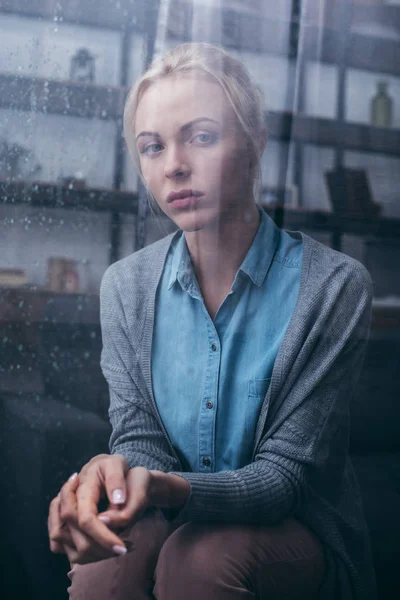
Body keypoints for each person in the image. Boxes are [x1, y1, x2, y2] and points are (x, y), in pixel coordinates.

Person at [48, 42, 377, 600]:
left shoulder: (335, 285)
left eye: (200, 136)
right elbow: (141, 439)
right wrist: (116, 475)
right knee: (106, 565)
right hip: (166, 520)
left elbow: (284, 480)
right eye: (152, 147)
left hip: (296, 529)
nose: (174, 164)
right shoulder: (125, 286)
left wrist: (165, 488)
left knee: (198, 560)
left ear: (255, 143)